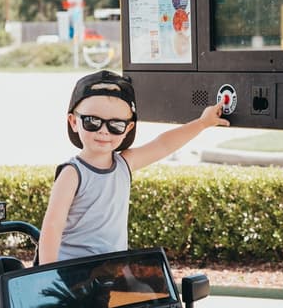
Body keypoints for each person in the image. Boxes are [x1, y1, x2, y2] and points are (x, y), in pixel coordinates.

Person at [38, 70, 228, 264]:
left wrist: (203, 123)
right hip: (72, 273)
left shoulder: (124, 164)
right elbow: (52, 226)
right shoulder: (73, 173)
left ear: (128, 128)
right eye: (92, 122)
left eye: (116, 125)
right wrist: (48, 277)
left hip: (111, 271)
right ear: (74, 122)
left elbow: (163, 145)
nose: (103, 131)